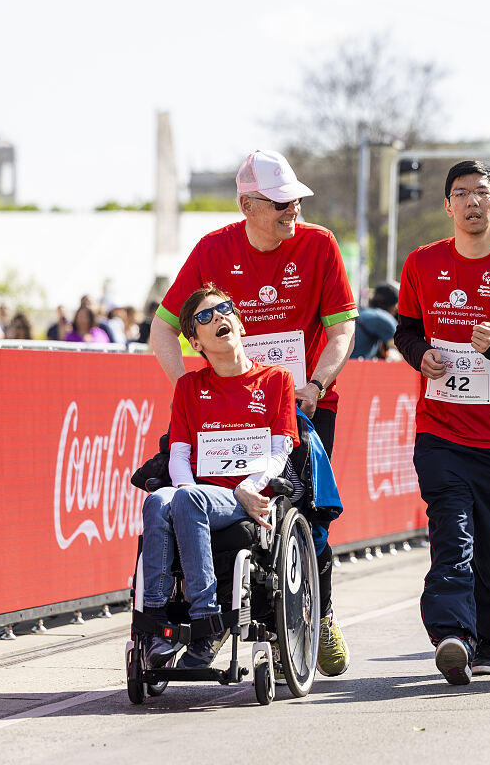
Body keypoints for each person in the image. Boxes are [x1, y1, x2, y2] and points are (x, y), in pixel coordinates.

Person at [150, 149, 357, 676]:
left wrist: (314, 383)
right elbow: (161, 329)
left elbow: (341, 331)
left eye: (296, 201)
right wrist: (193, 394)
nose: (294, 210)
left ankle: (320, 609)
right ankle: (201, 612)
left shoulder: (319, 244)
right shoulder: (212, 249)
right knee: (188, 497)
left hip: (302, 402)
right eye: (282, 202)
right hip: (226, 415)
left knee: (309, 515)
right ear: (248, 205)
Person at [393, 160, 490, 685]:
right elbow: (406, 332)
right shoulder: (421, 263)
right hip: (441, 432)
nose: (471, 202)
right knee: (452, 535)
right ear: (447, 206)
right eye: (460, 193)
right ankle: (450, 633)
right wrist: (421, 357)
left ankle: (487, 634)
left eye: (481, 193)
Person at [140, 284, 298, 669]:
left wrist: (247, 487)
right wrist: (185, 492)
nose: (219, 318)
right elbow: (179, 456)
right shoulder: (189, 387)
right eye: (205, 317)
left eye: (225, 309)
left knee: (184, 499)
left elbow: (280, 453)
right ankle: (155, 623)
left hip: (246, 495)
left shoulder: (276, 379)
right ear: (195, 341)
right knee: (158, 499)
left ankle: (206, 620)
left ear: (240, 323)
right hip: (198, 494)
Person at [350, 283, 399, 359]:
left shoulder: (362, 313)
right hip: (356, 367)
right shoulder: (384, 319)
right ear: (394, 306)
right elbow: (403, 351)